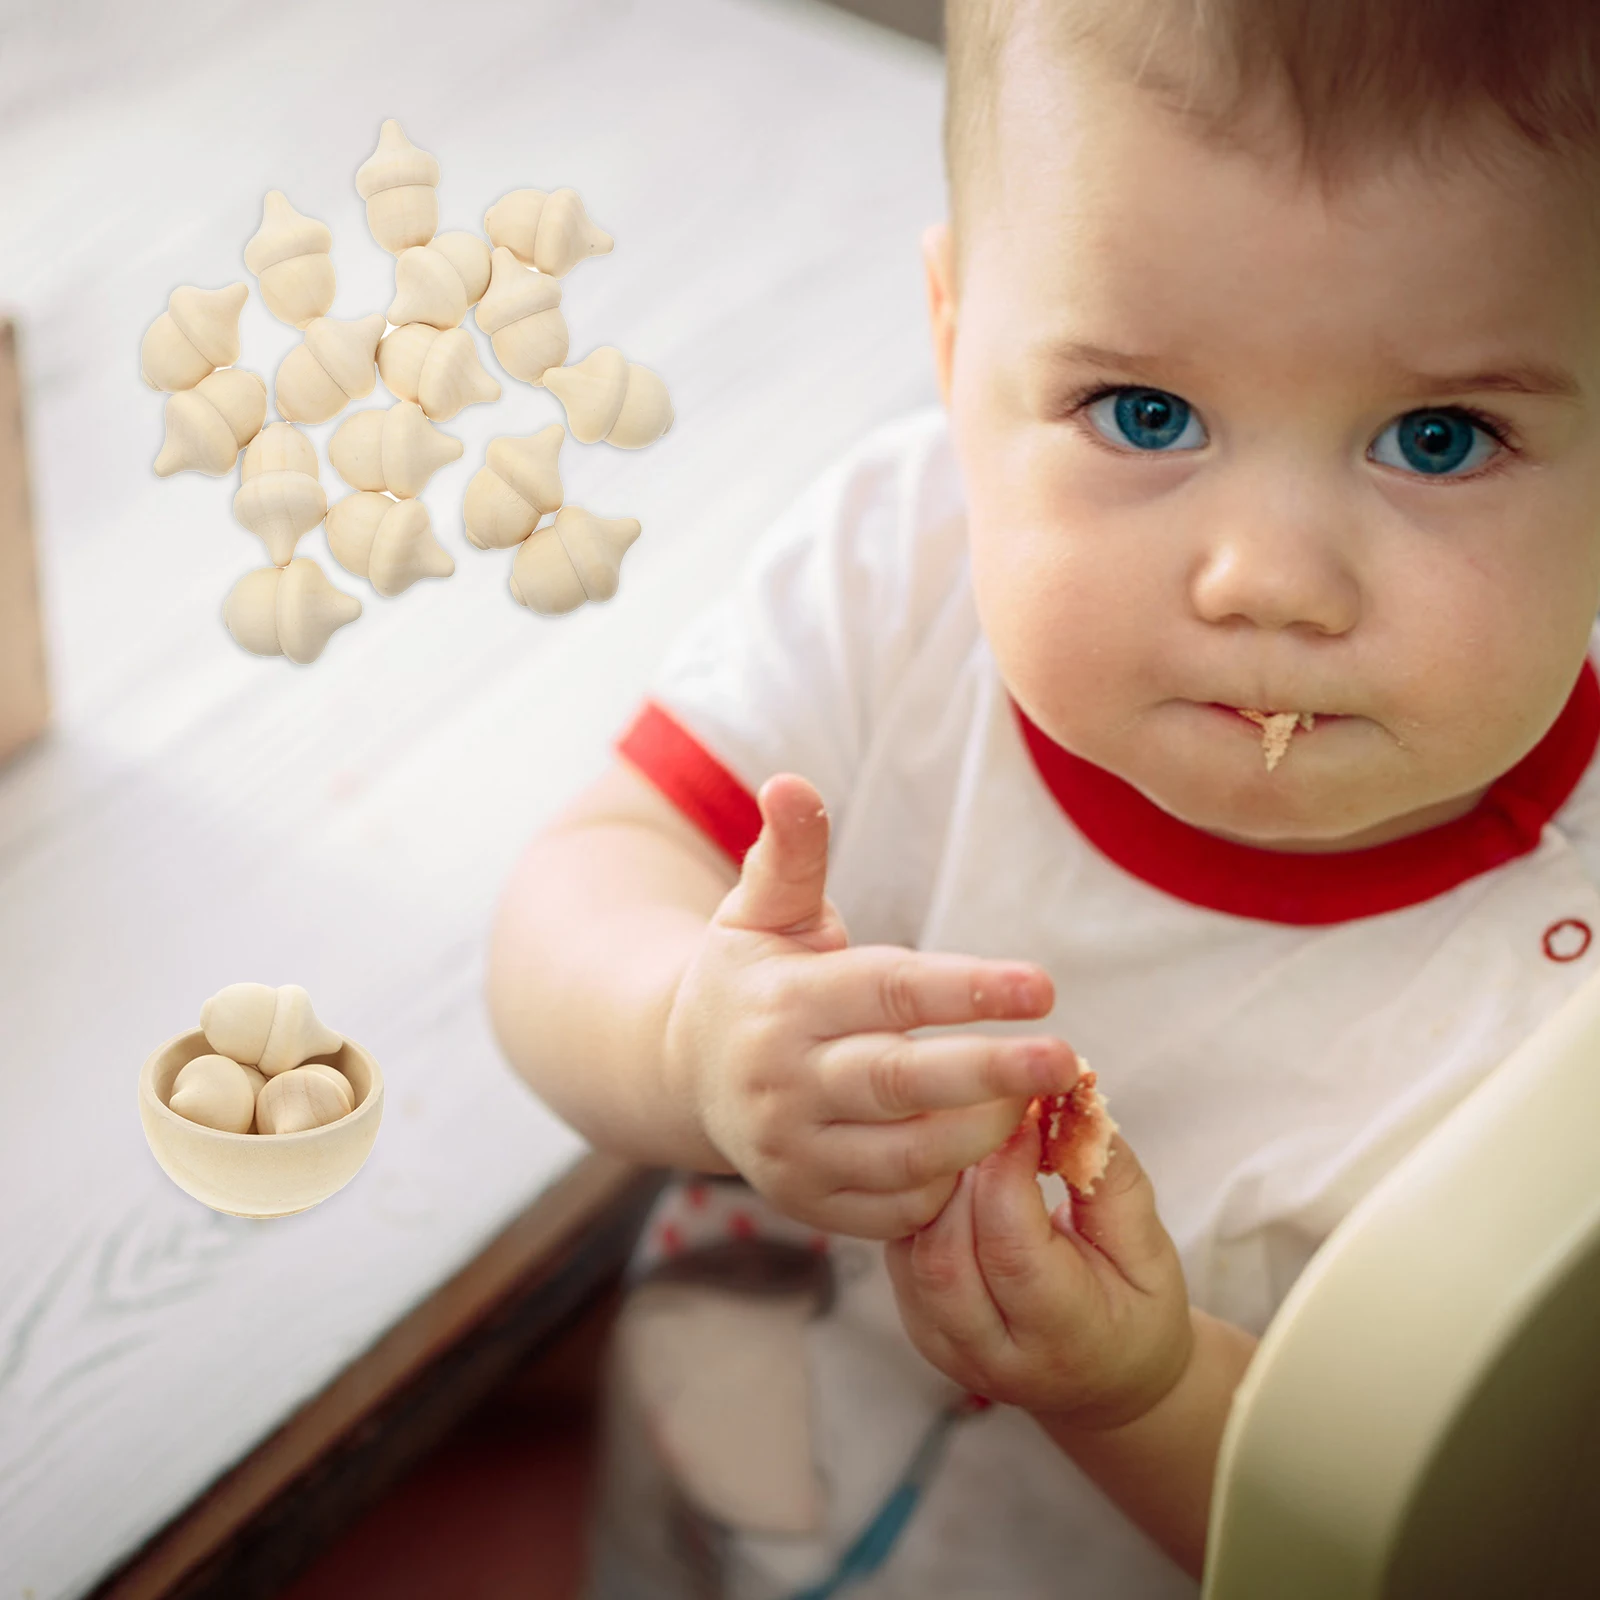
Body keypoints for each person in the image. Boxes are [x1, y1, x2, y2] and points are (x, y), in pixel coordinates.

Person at [488, 0, 1600, 1593]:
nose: (1268, 582)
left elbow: (1429, 1551)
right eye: (1145, 415)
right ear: (953, 346)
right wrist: (687, 1034)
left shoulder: (1562, 1024)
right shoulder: (905, 570)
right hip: (707, 1495)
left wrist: (1142, 1392)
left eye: (1439, 439)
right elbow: (581, 884)